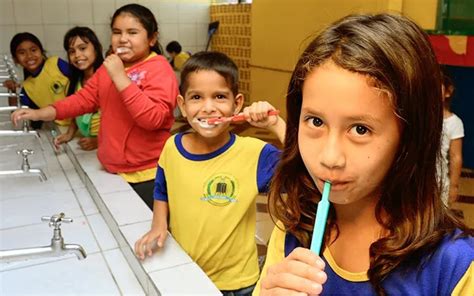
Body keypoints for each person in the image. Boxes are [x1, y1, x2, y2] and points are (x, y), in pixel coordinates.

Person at [254, 13, 473, 296]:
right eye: (315, 122)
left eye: (360, 129)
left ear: (410, 137)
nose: (330, 157)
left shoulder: (453, 266)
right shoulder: (293, 232)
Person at [134, 51, 286, 295]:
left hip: (239, 284)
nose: (208, 108)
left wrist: (275, 124)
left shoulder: (255, 154)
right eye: (196, 97)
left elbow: (305, 168)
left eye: (219, 97)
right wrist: (158, 224)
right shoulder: (172, 147)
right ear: (182, 106)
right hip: (186, 275)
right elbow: (162, 188)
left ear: (237, 104)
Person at [11, 4, 179, 210]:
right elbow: (81, 100)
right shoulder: (109, 67)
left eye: (132, 32)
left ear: (152, 38)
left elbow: (153, 119)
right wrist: (39, 113)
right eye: (117, 32)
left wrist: (119, 76)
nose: (123, 39)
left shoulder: (158, 67)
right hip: (113, 170)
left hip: (149, 174)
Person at [4, 32, 71, 128]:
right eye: (22, 53)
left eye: (33, 50)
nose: (29, 56)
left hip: (85, 119)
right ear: (16, 60)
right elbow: (17, 114)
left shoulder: (56, 63)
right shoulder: (27, 87)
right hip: (63, 128)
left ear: (41, 51)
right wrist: (12, 90)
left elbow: (82, 83)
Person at [54, 26, 104, 151]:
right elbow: (77, 110)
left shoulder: (106, 77)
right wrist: (69, 134)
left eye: (82, 48)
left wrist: (99, 141)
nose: (77, 55)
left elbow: (119, 119)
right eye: (72, 51)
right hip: (88, 143)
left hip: (109, 144)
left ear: (96, 49)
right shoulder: (77, 79)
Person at [439, 72, 464, 207]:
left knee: (435, 222)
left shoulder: (454, 123)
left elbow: (456, 157)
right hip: (415, 182)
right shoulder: (421, 117)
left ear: (448, 92)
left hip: (439, 183)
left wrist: (454, 186)